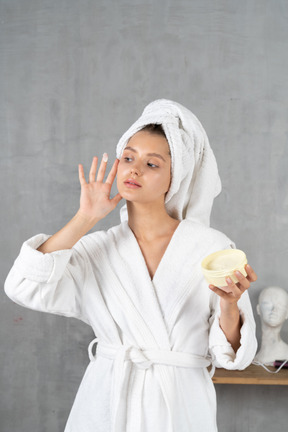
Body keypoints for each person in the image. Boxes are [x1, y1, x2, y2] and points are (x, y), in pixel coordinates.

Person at [4, 99, 258, 432]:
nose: (134, 169)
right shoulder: (96, 249)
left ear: (173, 178)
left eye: (152, 164)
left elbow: (233, 355)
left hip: (180, 406)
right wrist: (85, 218)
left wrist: (229, 304)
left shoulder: (210, 247)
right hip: (107, 402)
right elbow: (22, 285)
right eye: (128, 157)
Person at [254, 286, 288, 365]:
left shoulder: (285, 354)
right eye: (267, 304)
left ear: (287, 313)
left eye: (281, 306)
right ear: (258, 309)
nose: (274, 310)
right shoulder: (252, 357)